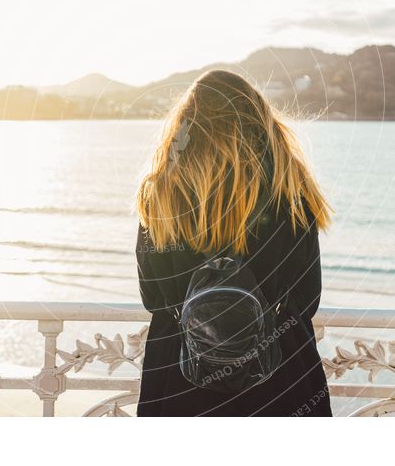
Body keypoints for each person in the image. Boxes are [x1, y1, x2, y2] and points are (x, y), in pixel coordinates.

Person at [133, 69, 333, 416]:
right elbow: (307, 299)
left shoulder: (162, 192)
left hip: (181, 375)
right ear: (260, 121)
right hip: (279, 373)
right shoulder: (292, 190)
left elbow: (154, 298)